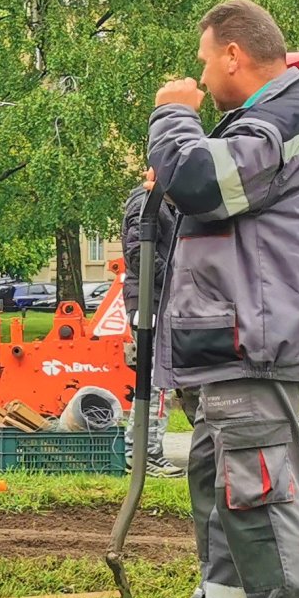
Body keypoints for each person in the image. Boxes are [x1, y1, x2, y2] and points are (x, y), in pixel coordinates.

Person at [147, 0, 299, 598]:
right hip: (240, 337)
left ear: (234, 54)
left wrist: (175, 116)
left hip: (252, 342)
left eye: (205, 64)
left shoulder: (279, 121)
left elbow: (202, 182)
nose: (201, 80)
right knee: (219, 477)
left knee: (256, 486)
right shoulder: (280, 122)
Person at [121, 171, 184, 478]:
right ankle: (146, 453)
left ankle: (140, 451)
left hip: (155, 300)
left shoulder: (164, 203)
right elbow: (138, 255)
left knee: (156, 382)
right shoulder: (147, 202)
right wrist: (178, 278)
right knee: (158, 383)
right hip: (151, 303)